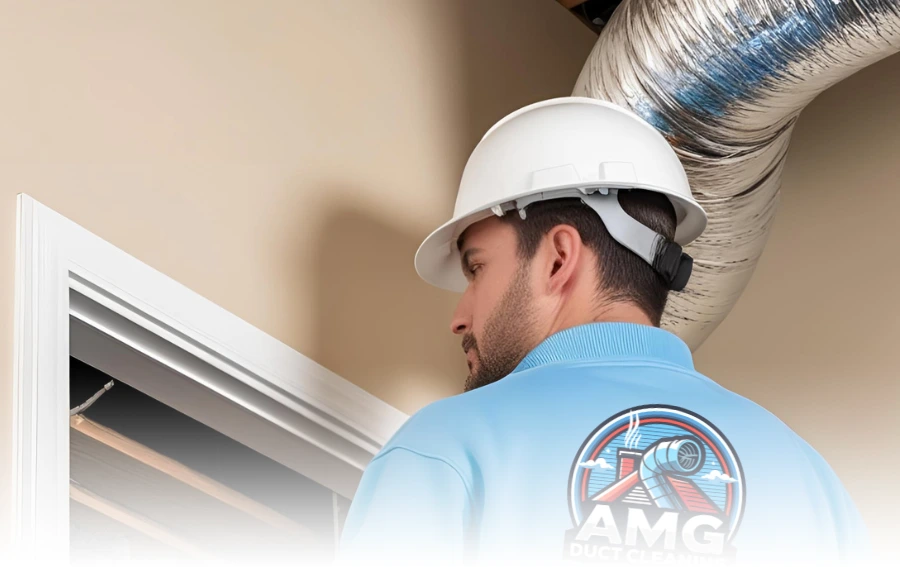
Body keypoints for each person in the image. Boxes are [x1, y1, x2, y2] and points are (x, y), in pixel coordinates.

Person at [337, 97, 868, 566]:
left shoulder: (443, 450)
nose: (459, 314)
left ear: (558, 259)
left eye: (476, 269)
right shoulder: (809, 484)